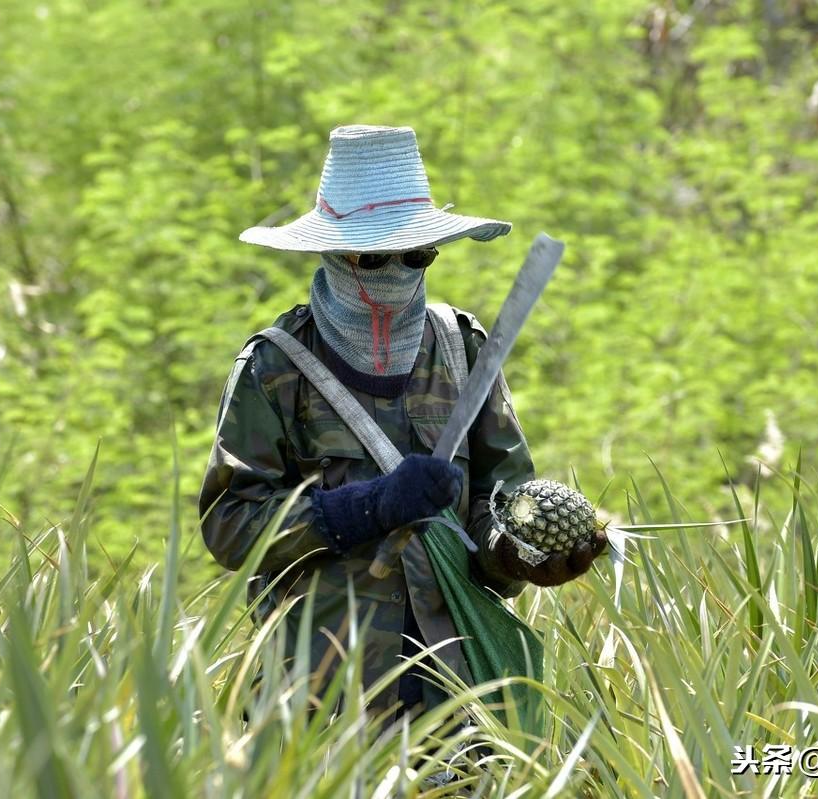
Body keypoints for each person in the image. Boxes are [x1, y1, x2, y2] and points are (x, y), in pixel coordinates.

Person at [199, 124, 607, 722]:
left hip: (460, 697)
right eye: (371, 256)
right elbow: (229, 526)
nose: (395, 271)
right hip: (320, 702)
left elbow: (497, 507)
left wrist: (524, 553)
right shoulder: (275, 367)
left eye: (415, 255)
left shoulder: (466, 350)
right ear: (332, 254)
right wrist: (366, 508)